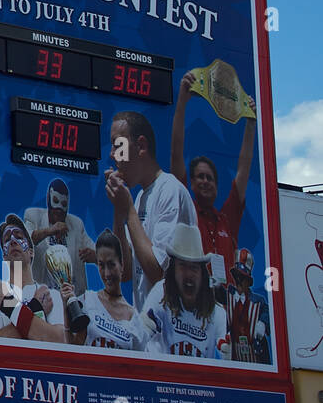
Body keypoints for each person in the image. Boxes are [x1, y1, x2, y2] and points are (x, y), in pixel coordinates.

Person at [170, 70, 256, 287]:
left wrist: (251, 125)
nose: (205, 181)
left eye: (209, 178)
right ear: (191, 183)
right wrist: (182, 100)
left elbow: (244, 168)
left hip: (224, 311)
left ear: (217, 187)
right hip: (194, 304)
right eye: (199, 177)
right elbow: (176, 153)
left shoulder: (228, 218)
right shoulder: (185, 209)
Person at [106, 110, 197, 307]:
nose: (112, 154)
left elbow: (159, 274)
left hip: (170, 334)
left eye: (117, 145)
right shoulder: (139, 198)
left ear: (141, 146)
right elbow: (125, 273)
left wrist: (128, 210)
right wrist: (118, 209)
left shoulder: (170, 190)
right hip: (147, 332)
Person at [139, 222, 229, 359]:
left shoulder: (217, 312)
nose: (188, 274)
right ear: (173, 271)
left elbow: (225, 348)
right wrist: (144, 328)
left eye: (194, 268)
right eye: (182, 266)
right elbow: (144, 332)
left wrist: (228, 352)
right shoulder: (161, 292)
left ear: (202, 275)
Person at [0, 214, 65, 343]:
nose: (13, 241)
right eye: (7, 239)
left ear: (31, 252)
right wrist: (35, 309)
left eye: (19, 237)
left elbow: (58, 339)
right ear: (4, 255)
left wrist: (8, 305)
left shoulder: (50, 294)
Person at [66, 231, 146, 350]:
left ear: (122, 265)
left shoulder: (134, 319)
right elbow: (72, 346)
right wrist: (65, 303)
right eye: (101, 265)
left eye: (111, 265)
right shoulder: (86, 300)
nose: (107, 273)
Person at [26, 179, 91, 295]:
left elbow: (97, 252)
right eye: (55, 201)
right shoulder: (33, 216)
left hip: (73, 297)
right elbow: (26, 241)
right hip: (43, 296)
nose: (59, 209)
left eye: (64, 204)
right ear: (48, 199)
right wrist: (50, 231)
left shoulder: (76, 224)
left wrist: (94, 255)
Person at [218, 249, 271, 364]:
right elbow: (218, 294)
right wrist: (214, 284)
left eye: (241, 278)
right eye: (236, 277)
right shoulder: (229, 296)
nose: (238, 281)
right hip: (235, 355)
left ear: (248, 281)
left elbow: (269, 314)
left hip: (255, 356)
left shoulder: (258, 301)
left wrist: (262, 323)